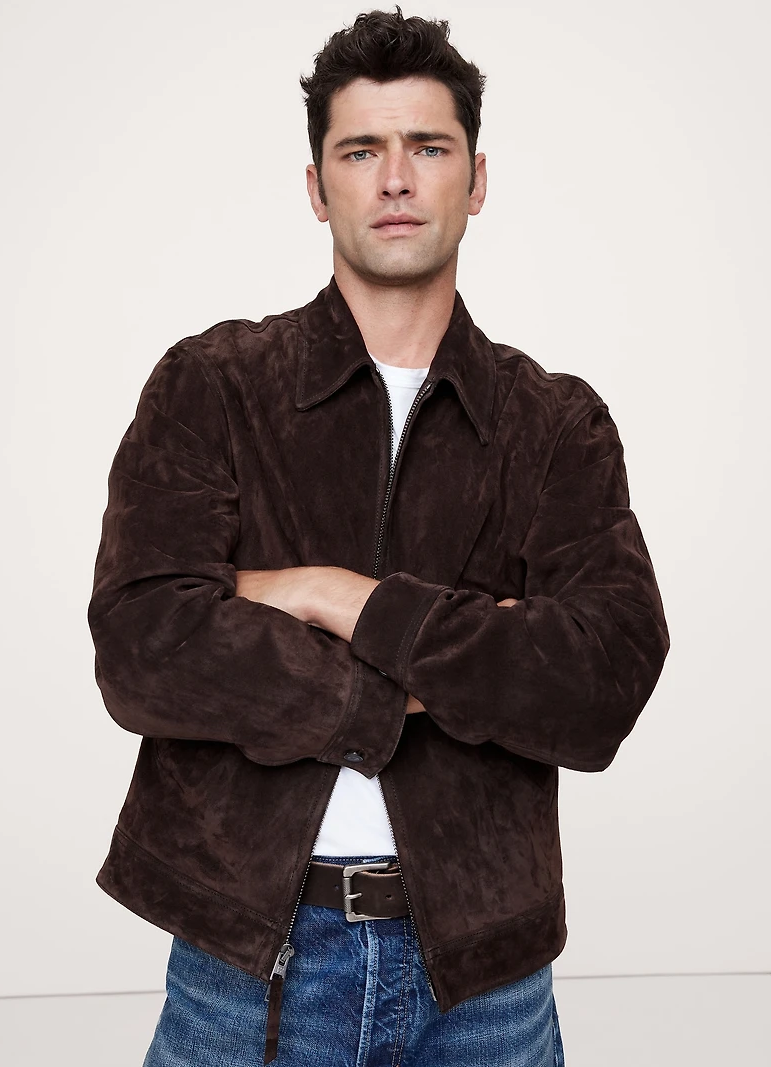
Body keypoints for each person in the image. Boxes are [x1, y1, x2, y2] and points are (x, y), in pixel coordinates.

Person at [87, 8, 670, 1066]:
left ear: (475, 180)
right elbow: (143, 647)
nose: (395, 179)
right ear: (317, 187)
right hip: (245, 969)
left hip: (485, 984)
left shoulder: (554, 423)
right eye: (361, 151)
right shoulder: (212, 385)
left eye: (427, 148)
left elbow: (600, 678)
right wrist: (464, 663)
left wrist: (330, 595)